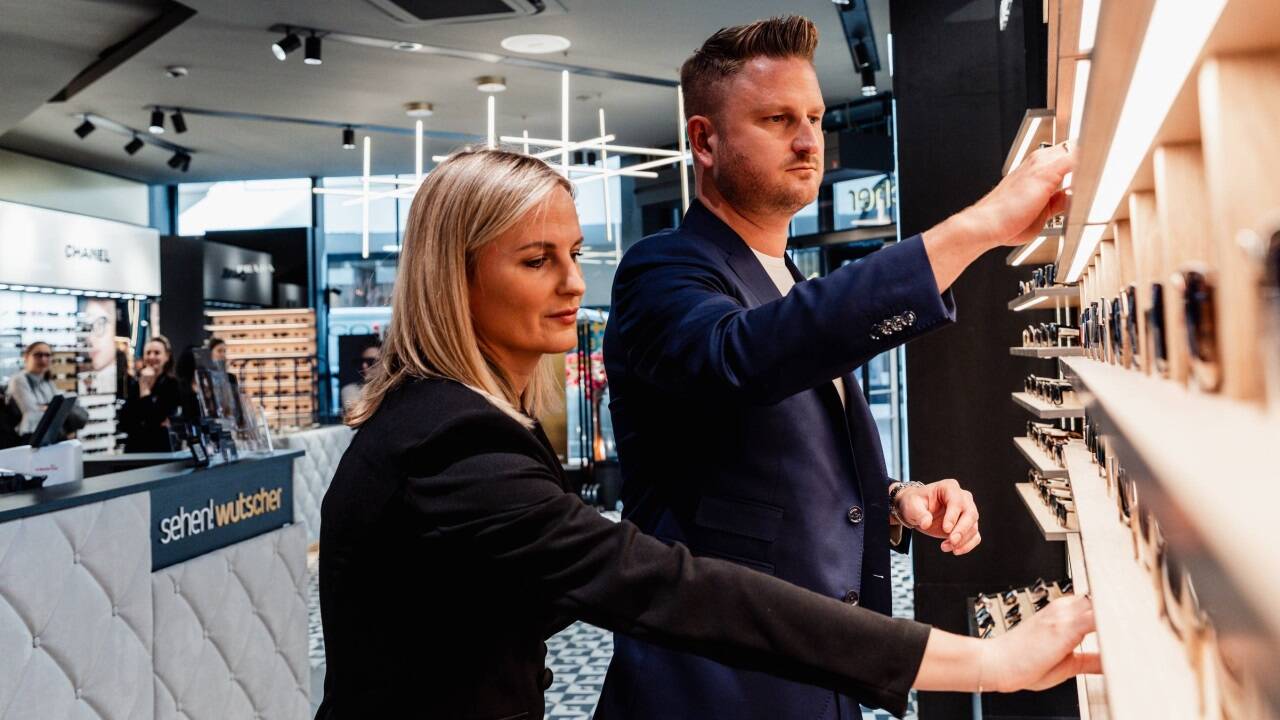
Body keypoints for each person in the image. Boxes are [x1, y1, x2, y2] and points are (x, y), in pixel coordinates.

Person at [315, 149, 1097, 720]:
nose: (574, 283)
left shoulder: (460, 420)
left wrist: (886, 499)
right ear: (458, 277)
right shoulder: (451, 446)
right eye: (535, 260)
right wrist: (987, 664)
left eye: (575, 254)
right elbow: (667, 586)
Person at [598, 16, 1074, 718]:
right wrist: (982, 224)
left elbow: (768, 459)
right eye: (776, 119)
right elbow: (745, 359)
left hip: (816, 676)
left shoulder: (785, 275)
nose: (807, 140)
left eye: (815, 118)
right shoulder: (662, 270)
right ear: (704, 140)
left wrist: (894, 500)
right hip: (716, 688)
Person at [119, 336, 180, 452]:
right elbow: (124, 422)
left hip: (159, 450)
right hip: (134, 450)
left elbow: (155, 418)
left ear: (166, 356)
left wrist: (145, 392)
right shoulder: (135, 383)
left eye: (157, 353)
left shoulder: (172, 385)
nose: (152, 357)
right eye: (148, 353)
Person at [5, 342, 58, 439]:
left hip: (46, 434)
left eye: (47, 355)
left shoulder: (47, 381)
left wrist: (44, 407)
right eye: (38, 355)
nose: (43, 359)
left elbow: (59, 406)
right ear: (26, 357)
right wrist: (49, 407)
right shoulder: (19, 380)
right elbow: (31, 412)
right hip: (27, 437)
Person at [339, 340, 380, 416]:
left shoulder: (395, 390)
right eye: (362, 361)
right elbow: (356, 416)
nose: (364, 366)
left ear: (384, 364)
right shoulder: (350, 390)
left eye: (371, 361)